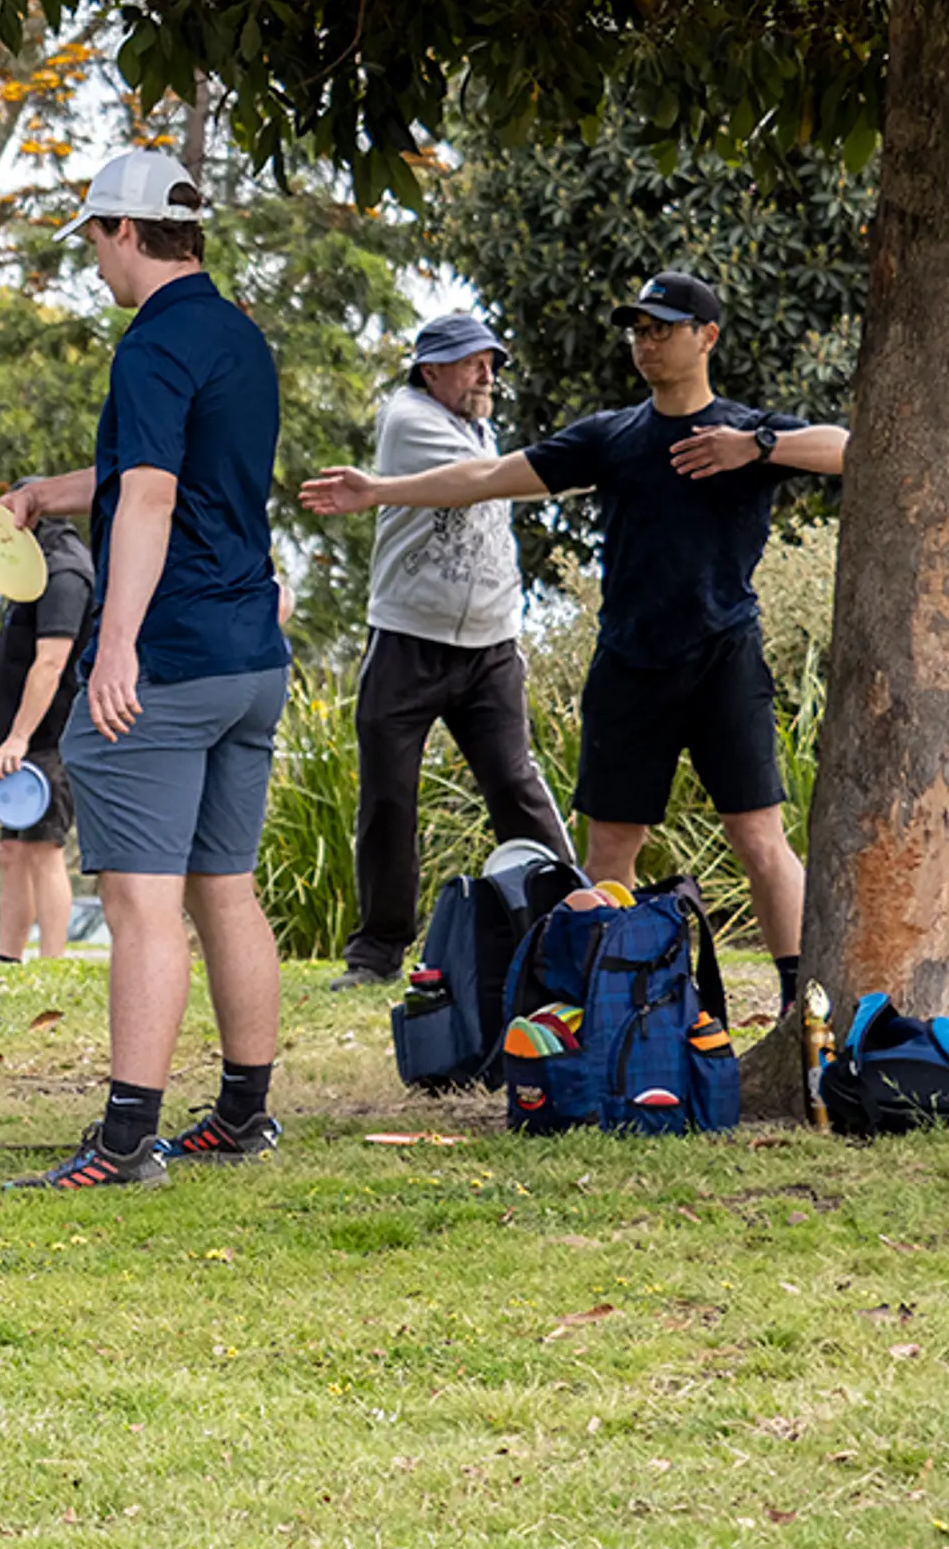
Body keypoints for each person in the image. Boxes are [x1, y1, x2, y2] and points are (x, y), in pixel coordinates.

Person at [302, 272, 849, 1010]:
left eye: (662, 328)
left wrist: (754, 446)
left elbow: (847, 448)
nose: (646, 342)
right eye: (639, 330)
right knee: (609, 851)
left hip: (725, 663)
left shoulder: (746, 433)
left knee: (760, 841)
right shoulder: (610, 438)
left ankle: (800, 1012)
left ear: (707, 337)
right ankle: (608, 1013)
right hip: (628, 669)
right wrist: (378, 491)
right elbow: (490, 476)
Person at [1, 150, 293, 1190]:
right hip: (249, 658)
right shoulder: (237, 335)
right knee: (226, 889)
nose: (94, 260)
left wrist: (115, 640)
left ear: (123, 230)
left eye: (93, 238)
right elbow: (161, 471)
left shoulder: (151, 343)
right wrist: (50, 490)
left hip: (167, 660)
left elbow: (154, 498)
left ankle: (126, 1141)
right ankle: (244, 1114)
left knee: (139, 902)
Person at [330, 314, 573, 991]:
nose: (486, 375)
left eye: (491, 363)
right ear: (430, 369)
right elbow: (487, 479)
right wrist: (582, 461)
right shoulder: (409, 419)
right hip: (407, 640)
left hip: (490, 644)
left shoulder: (476, 422)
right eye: (471, 363)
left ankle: (571, 922)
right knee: (388, 796)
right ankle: (378, 952)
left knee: (516, 786)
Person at [0, 506, 94, 962]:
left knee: (44, 847)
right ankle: (9, 958)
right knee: (12, 849)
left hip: (50, 736)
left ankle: (52, 960)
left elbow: (51, 663)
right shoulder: (31, 569)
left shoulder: (64, 572)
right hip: (22, 741)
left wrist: (19, 737)